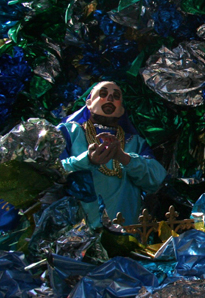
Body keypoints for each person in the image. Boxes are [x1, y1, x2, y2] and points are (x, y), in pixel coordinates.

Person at [59, 81, 167, 227]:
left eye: (116, 96)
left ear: (122, 108)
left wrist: (124, 158)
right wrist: (87, 159)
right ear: (89, 103)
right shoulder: (69, 132)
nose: (110, 98)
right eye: (103, 94)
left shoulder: (135, 142)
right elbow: (53, 172)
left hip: (125, 229)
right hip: (79, 229)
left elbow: (156, 179)